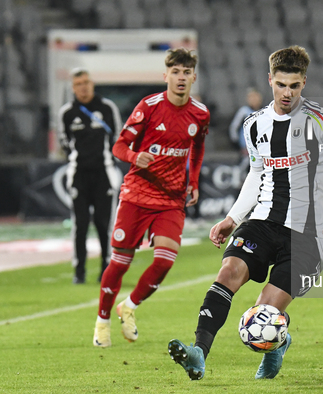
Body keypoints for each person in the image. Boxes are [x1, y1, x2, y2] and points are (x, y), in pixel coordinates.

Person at [168, 45, 323, 380]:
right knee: (228, 272)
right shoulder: (254, 125)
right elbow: (257, 173)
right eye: (281, 84)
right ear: (270, 81)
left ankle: (280, 341)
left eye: (295, 85)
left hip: (308, 233)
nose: (287, 92)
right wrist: (233, 217)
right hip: (262, 220)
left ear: (304, 83)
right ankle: (198, 352)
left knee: (263, 316)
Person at [93, 48, 210, 347]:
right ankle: (102, 322)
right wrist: (135, 156)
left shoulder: (200, 113)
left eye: (186, 72)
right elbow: (119, 146)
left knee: (165, 260)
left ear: (194, 77)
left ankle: (128, 306)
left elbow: (197, 148)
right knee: (119, 263)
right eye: (175, 72)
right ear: (166, 75)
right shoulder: (149, 106)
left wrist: (193, 180)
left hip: (171, 198)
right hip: (137, 193)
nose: (181, 78)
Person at [57, 68, 122, 284]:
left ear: (92, 84)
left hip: (104, 172)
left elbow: (118, 136)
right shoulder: (66, 113)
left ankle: (106, 269)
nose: (83, 87)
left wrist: (110, 159)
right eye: (79, 84)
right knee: (80, 224)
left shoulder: (106, 107)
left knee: (105, 223)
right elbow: (64, 142)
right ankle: (79, 271)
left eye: (86, 82)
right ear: (73, 88)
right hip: (79, 174)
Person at [228, 88, 263, 156]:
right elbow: (234, 128)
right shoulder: (244, 112)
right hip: (246, 149)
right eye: (251, 97)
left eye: (255, 97)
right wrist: (237, 145)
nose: (253, 99)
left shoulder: (265, 112)